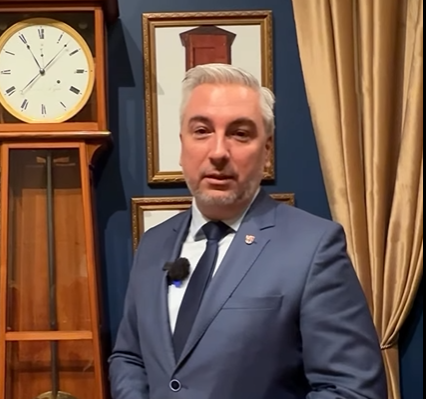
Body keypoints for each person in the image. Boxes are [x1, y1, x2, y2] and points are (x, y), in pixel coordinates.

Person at [109, 63, 387, 399]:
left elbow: (351, 389)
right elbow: (130, 357)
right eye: (202, 131)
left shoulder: (314, 248)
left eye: (239, 133)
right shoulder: (153, 244)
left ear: (266, 151)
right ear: (182, 145)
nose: (218, 152)